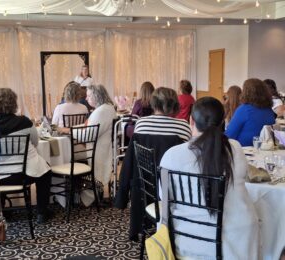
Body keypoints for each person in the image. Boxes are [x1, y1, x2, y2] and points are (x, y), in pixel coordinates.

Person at [160, 97, 260, 259]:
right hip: (237, 243)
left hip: (188, 240)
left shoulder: (172, 156)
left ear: (191, 120)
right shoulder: (235, 148)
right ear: (223, 122)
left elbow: (164, 199)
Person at [115, 87, 191, 240]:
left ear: (153, 103)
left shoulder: (141, 124)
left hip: (142, 186)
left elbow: (129, 162)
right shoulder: (183, 127)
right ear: (175, 105)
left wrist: (122, 194)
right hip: (172, 188)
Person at [0, 88, 52, 223]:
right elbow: (35, 142)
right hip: (21, 175)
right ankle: (41, 213)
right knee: (45, 171)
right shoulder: (25, 122)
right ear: (14, 104)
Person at [59, 84, 116, 193]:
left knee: (64, 154)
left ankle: (68, 192)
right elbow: (89, 128)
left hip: (97, 150)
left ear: (96, 96)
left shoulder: (101, 112)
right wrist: (71, 129)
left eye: (89, 96)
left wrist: (69, 131)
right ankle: (76, 191)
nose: (86, 98)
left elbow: (87, 135)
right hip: (104, 147)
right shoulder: (107, 108)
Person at [225, 78, 275, 146]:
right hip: (263, 149)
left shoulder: (244, 109)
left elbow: (229, 135)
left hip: (243, 150)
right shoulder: (269, 111)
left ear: (246, 92)